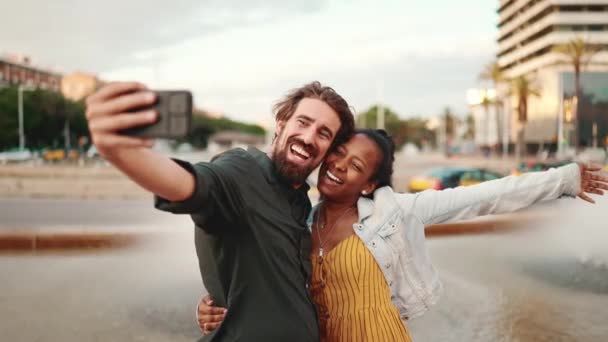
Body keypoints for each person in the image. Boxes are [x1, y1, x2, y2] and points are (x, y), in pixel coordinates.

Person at [198, 129, 608, 341]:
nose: (338, 165)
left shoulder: (392, 213)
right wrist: (215, 306)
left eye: (355, 165)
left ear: (367, 185)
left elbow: (483, 197)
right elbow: (255, 271)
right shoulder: (300, 220)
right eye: (338, 154)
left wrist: (563, 179)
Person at [84, 81, 355, 341]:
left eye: (323, 133)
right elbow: (191, 184)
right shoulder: (240, 172)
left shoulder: (302, 202)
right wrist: (120, 151)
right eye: (303, 122)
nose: (309, 137)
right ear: (282, 123)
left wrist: (224, 299)